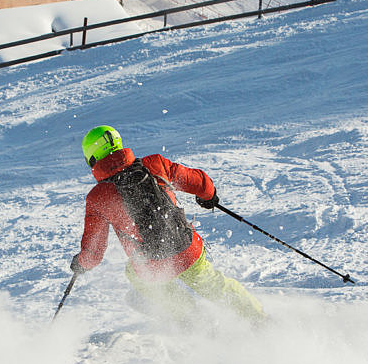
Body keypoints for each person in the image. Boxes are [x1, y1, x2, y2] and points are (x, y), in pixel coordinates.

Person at [70, 125, 264, 326]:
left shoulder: (98, 197)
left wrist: (81, 264)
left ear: (92, 158)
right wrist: (209, 197)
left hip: (150, 265)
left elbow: (94, 251)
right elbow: (199, 182)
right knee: (214, 285)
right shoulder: (154, 164)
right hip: (186, 248)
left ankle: (191, 319)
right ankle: (259, 319)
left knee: (136, 275)